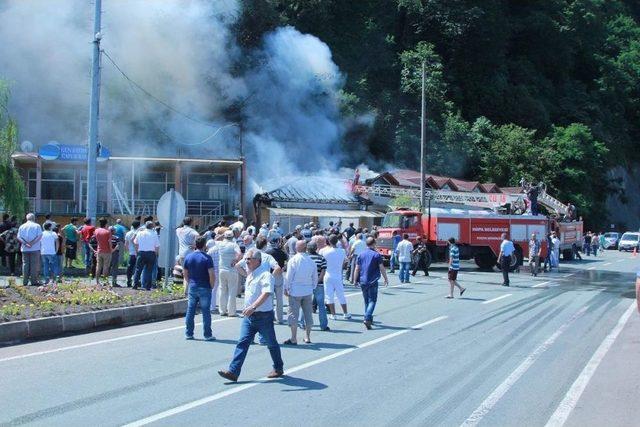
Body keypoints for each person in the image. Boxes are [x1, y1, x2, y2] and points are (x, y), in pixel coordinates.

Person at [218, 249, 284, 383]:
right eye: (246, 259)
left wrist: (253, 306)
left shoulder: (265, 275)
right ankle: (233, 372)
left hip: (263, 316)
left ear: (258, 261)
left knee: (271, 344)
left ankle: (278, 367)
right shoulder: (250, 275)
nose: (246, 262)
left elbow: (266, 293)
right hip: (249, 317)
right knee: (242, 342)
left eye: (249, 259)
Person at [283, 240, 317, 345]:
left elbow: (288, 277)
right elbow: (315, 277)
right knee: (308, 314)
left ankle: (294, 338)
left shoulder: (293, 260)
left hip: (295, 291)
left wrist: (286, 288)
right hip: (307, 290)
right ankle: (307, 337)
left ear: (297, 248)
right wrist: (312, 287)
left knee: (293, 315)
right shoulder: (311, 261)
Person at [183, 236, 216, 341]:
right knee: (206, 311)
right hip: (205, 286)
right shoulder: (207, 258)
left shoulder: (188, 257)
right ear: (205, 245)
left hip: (193, 286)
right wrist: (211, 285)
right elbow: (211, 274)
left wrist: (189, 282)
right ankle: (207, 334)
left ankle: (189, 333)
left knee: (190, 310)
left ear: (195, 245)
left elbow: (185, 273)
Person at [354, 237, 388, 329]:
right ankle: (367, 317)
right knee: (372, 300)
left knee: (366, 301)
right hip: (373, 280)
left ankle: (369, 319)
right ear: (373, 244)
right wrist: (385, 278)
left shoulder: (361, 255)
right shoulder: (376, 255)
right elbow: (381, 268)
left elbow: (357, 268)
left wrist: (354, 280)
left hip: (363, 281)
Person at [320, 234, 351, 320]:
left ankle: (333, 314)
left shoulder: (323, 251)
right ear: (337, 241)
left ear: (328, 242)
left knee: (329, 295)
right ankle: (345, 313)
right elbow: (346, 261)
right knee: (341, 295)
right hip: (338, 276)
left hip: (327, 274)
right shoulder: (342, 251)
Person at [217, 230, 242, 316]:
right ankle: (231, 312)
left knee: (222, 290)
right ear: (232, 237)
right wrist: (235, 260)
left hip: (221, 269)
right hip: (231, 270)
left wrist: (221, 236)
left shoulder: (220, 244)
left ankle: (222, 310)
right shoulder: (234, 245)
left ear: (225, 236)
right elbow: (239, 254)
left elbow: (215, 240)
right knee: (232, 291)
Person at [265, 236, 288, 324]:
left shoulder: (267, 252)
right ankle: (280, 318)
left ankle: (270, 317)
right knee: (279, 299)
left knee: (269, 298)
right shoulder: (282, 252)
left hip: (269, 275)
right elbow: (286, 263)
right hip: (278, 275)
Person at [307, 241, 329, 331]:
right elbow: (323, 272)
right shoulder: (321, 258)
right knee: (321, 306)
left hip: (307, 284)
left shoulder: (306, 258)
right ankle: (323, 325)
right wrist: (317, 281)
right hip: (319, 284)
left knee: (304, 304)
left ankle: (302, 323)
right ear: (316, 248)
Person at [133, 221, 160, 290]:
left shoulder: (140, 233)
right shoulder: (154, 234)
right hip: (151, 253)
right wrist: (156, 254)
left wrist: (137, 252)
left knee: (138, 269)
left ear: (145, 226)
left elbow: (135, 243)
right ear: (152, 226)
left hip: (141, 253)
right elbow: (157, 246)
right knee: (149, 270)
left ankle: (135, 285)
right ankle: (148, 286)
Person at [17, 213, 42, 286]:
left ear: (26, 218)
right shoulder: (37, 226)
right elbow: (39, 236)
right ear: (34, 218)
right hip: (35, 248)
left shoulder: (22, 226)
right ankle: (33, 281)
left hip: (25, 248)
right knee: (34, 265)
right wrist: (32, 243)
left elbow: (19, 237)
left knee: (25, 264)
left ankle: (25, 281)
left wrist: (25, 243)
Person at [93, 218, 113, 285]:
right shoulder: (108, 232)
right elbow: (109, 242)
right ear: (106, 223)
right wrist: (111, 250)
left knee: (98, 267)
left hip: (99, 250)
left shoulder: (96, 231)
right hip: (107, 251)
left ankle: (97, 281)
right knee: (105, 267)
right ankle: (105, 281)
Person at [125, 220, 140, 287]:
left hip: (131, 253)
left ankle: (129, 280)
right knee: (138, 268)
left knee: (130, 267)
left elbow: (126, 244)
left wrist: (129, 250)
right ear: (138, 226)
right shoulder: (139, 233)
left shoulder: (128, 233)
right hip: (138, 252)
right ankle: (137, 281)